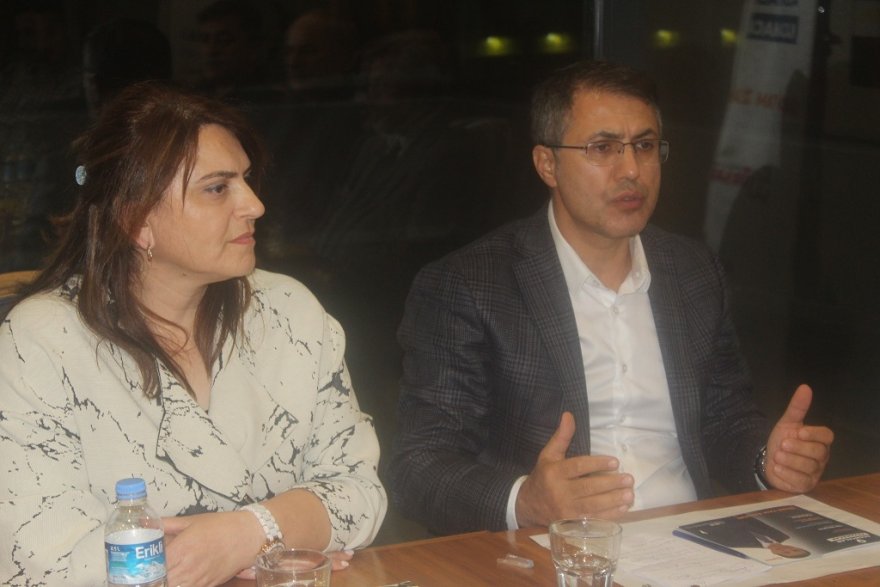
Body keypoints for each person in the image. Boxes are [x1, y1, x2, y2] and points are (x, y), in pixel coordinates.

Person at [388, 60, 833, 535]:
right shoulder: (471, 284)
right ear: (547, 164)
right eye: (603, 148)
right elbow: (419, 465)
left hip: (695, 543)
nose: (632, 170)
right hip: (556, 552)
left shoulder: (693, 272)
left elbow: (725, 420)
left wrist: (770, 460)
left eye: (644, 146)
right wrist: (525, 501)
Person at [0, 81, 386, 586]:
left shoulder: (288, 310)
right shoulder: (42, 342)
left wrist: (246, 535)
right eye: (217, 188)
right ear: (136, 219)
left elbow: (360, 495)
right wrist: (283, 532)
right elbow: (42, 563)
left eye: (247, 179)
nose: (254, 205)